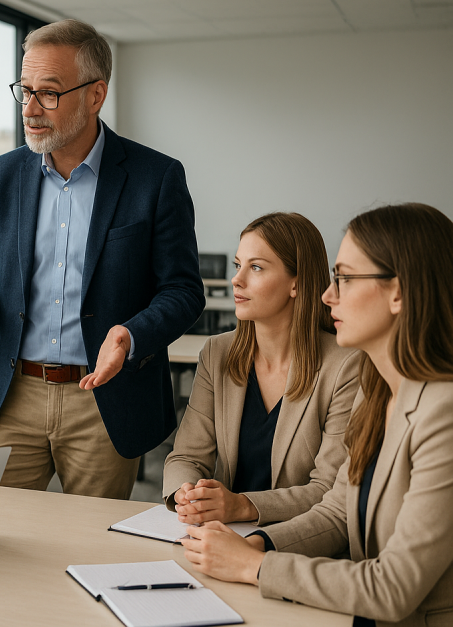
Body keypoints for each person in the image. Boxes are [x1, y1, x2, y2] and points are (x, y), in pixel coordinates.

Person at [0, 19, 204, 499]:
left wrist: (130, 335)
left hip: (103, 398)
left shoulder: (156, 177)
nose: (30, 109)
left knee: (88, 539)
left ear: (95, 95)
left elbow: (183, 291)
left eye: (48, 93)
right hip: (15, 393)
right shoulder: (3, 174)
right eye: (25, 91)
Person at [181, 203, 453, 627]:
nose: (327, 295)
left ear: (398, 293)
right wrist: (256, 544)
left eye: (344, 279)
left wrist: (254, 566)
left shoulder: (444, 415)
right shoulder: (379, 391)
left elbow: (393, 589)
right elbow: (336, 513)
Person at [163, 213, 361, 525]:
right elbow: (186, 456)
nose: (237, 279)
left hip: (299, 539)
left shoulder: (345, 366)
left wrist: (241, 506)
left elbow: (329, 489)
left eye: (255, 267)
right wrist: (187, 494)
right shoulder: (217, 353)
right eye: (237, 265)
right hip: (223, 532)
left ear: (296, 283)